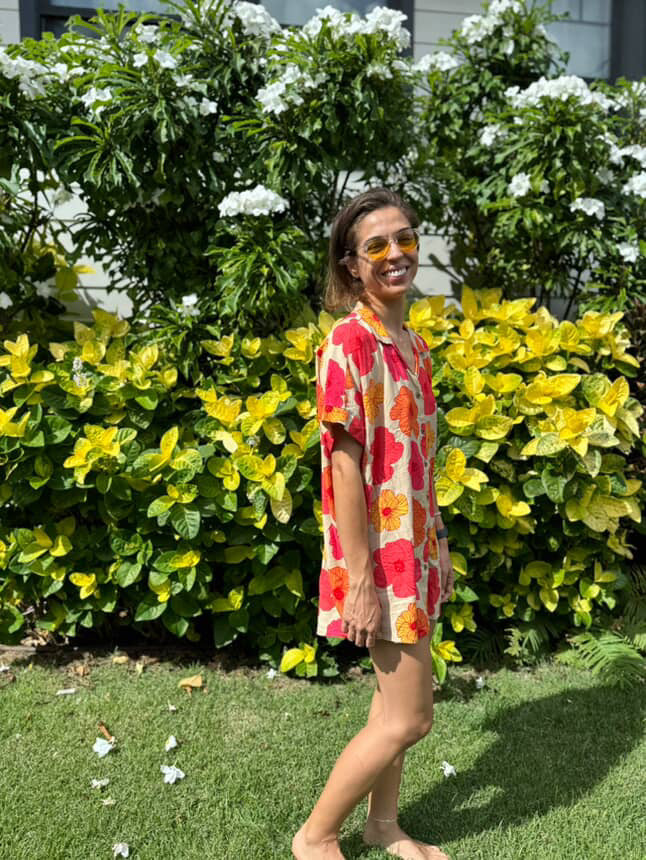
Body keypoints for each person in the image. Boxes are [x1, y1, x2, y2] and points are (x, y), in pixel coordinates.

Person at [292, 188, 454, 860]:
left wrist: (436, 544)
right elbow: (345, 468)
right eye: (377, 245)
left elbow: (416, 462)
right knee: (412, 717)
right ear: (351, 266)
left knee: (391, 712)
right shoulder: (347, 343)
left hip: (413, 551)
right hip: (377, 561)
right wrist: (361, 579)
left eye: (405, 238)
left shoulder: (412, 345)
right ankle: (315, 835)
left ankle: (383, 827)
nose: (396, 254)